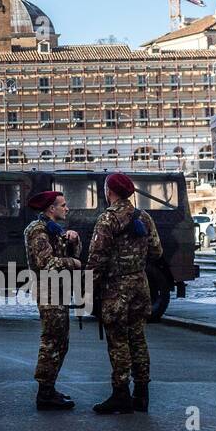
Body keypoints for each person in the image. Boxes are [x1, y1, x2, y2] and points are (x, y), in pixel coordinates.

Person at [86, 172, 162, 414]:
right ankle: (142, 395)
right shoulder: (144, 216)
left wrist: (90, 288)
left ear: (110, 192)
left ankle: (121, 394)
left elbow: (97, 259)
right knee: (138, 339)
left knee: (118, 342)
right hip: (140, 286)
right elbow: (157, 251)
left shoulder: (107, 220)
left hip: (116, 289)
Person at [23, 191, 82, 410]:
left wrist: (74, 240)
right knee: (51, 341)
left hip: (59, 289)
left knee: (61, 341)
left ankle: (49, 387)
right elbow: (45, 262)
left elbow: (72, 253)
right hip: (48, 291)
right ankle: (44, 393)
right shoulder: (38, 230)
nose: (66, 208)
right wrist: (73, 263)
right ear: (51, 209)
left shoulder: (54, 230)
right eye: (63, 205)